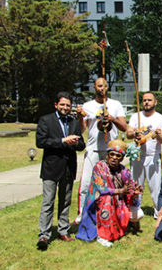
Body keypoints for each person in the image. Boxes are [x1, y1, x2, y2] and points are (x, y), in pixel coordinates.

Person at [36, 91, 84, 249]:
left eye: (68, 105)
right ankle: (44, 234)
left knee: (65, 201)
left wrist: (75, 143)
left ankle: (63, 230)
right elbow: (41, 141)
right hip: (51, 167)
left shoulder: (74, 122)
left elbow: (82, 145)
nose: (65, 107)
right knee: (48, 202)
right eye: (62, 104)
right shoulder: (46, 120)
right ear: (56, 105)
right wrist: (63, 141)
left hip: (68, 168)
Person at [76, 76, 128, 213]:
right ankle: (83, 212)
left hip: (111, 151)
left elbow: (124, 127)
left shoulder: (116, 104)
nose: (102, 89)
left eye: (104, 86)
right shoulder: (88, 106)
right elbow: (82, 129)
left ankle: (111, 211)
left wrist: (112, 118)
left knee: (111, 182)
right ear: (94, 88)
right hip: (93, 149)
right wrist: (81, 117)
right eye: (99, 86)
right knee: (87, 183)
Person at [76, 140, 141, 247]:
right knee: (107, 199)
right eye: (112, 154)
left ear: (122, 158)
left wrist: (135, 194)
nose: (114, 158)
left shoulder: (125, 171)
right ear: (107, 155)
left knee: (138, 213)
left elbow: (129, 192)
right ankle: (103, 236)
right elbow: (100, 189)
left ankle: (127, 226)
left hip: (118, 204)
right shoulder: (99, 166)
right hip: (98, 203)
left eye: (118, 155)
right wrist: (119, 191)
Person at [126, 90, 162, 221]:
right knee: (136, 184)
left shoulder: (160, 119)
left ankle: (158, 211)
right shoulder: (136, 116)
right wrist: (135, 134)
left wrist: (157, 134)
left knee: (155, 186)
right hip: (138, 155)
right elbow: (128, 134)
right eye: (144, 100)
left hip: (153, 155)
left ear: (155, 102)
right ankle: (135, 210)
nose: (146, 102)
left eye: (149, 100)